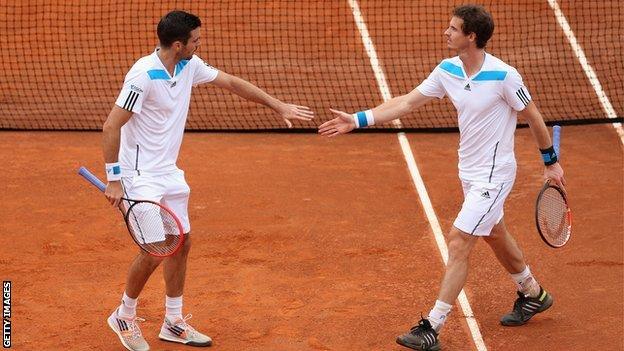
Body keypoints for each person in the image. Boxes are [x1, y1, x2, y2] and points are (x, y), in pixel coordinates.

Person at [319, 4, 565, 351]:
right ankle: (532, 293)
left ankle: (431, 326)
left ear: (472, 37)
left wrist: (550, 162)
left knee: (459, 240)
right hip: (468, 171)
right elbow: (406, 102)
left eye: (452, 29)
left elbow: (534, 117)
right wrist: (358, 119)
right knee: (494, 232)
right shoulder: (447, 70)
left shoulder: (504, 76)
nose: (445, 33)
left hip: (494, 177)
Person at [102, 10, 313, 351]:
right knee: (156, 249)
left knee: (181, 243)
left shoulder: (189, 65)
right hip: (138, 176)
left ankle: (173, 321)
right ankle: (124, 314)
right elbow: (111, 126)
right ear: (177, 44)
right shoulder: (141, 77)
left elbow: (230, 82)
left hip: (168, 172)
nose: (200, 45)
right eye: (195, 41)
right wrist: (114, 179)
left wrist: (278, 106)